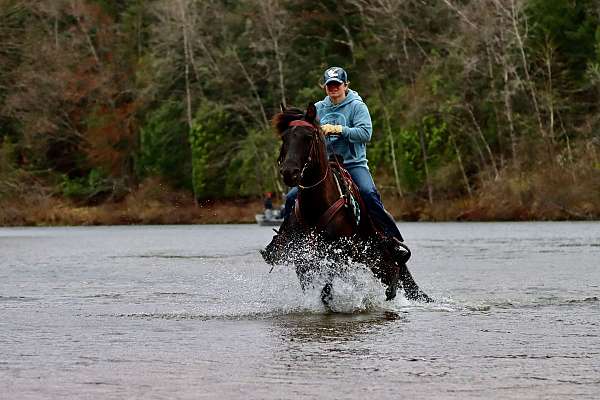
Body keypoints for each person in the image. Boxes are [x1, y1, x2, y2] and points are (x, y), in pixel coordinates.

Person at [282, 66, 409, 261]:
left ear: (345, 85)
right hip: (326, 166)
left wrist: (339, 129)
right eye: (329, 85)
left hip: (352, 163)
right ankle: (285, 241)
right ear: (324, 87)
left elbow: (366, 134)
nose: (333, 88)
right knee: (292, 197)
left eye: (337, 85)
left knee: (368, 193)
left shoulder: (357, 106)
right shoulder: (318, 109)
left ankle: (391, 240)